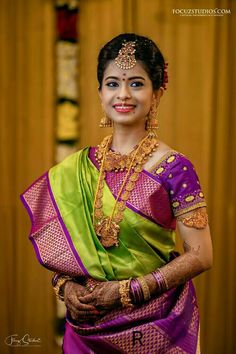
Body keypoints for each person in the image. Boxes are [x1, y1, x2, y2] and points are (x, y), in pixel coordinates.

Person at [21, 33, 213, 354]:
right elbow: (67, 256)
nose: (123, 94)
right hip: (86, 330)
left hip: (156, 327)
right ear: (99, 93)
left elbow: (201, 255)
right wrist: (66, 287)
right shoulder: (77, 169)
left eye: (136, 83)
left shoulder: (174, 168)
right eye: (112, 84)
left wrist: (128, 291)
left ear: (157, 92)